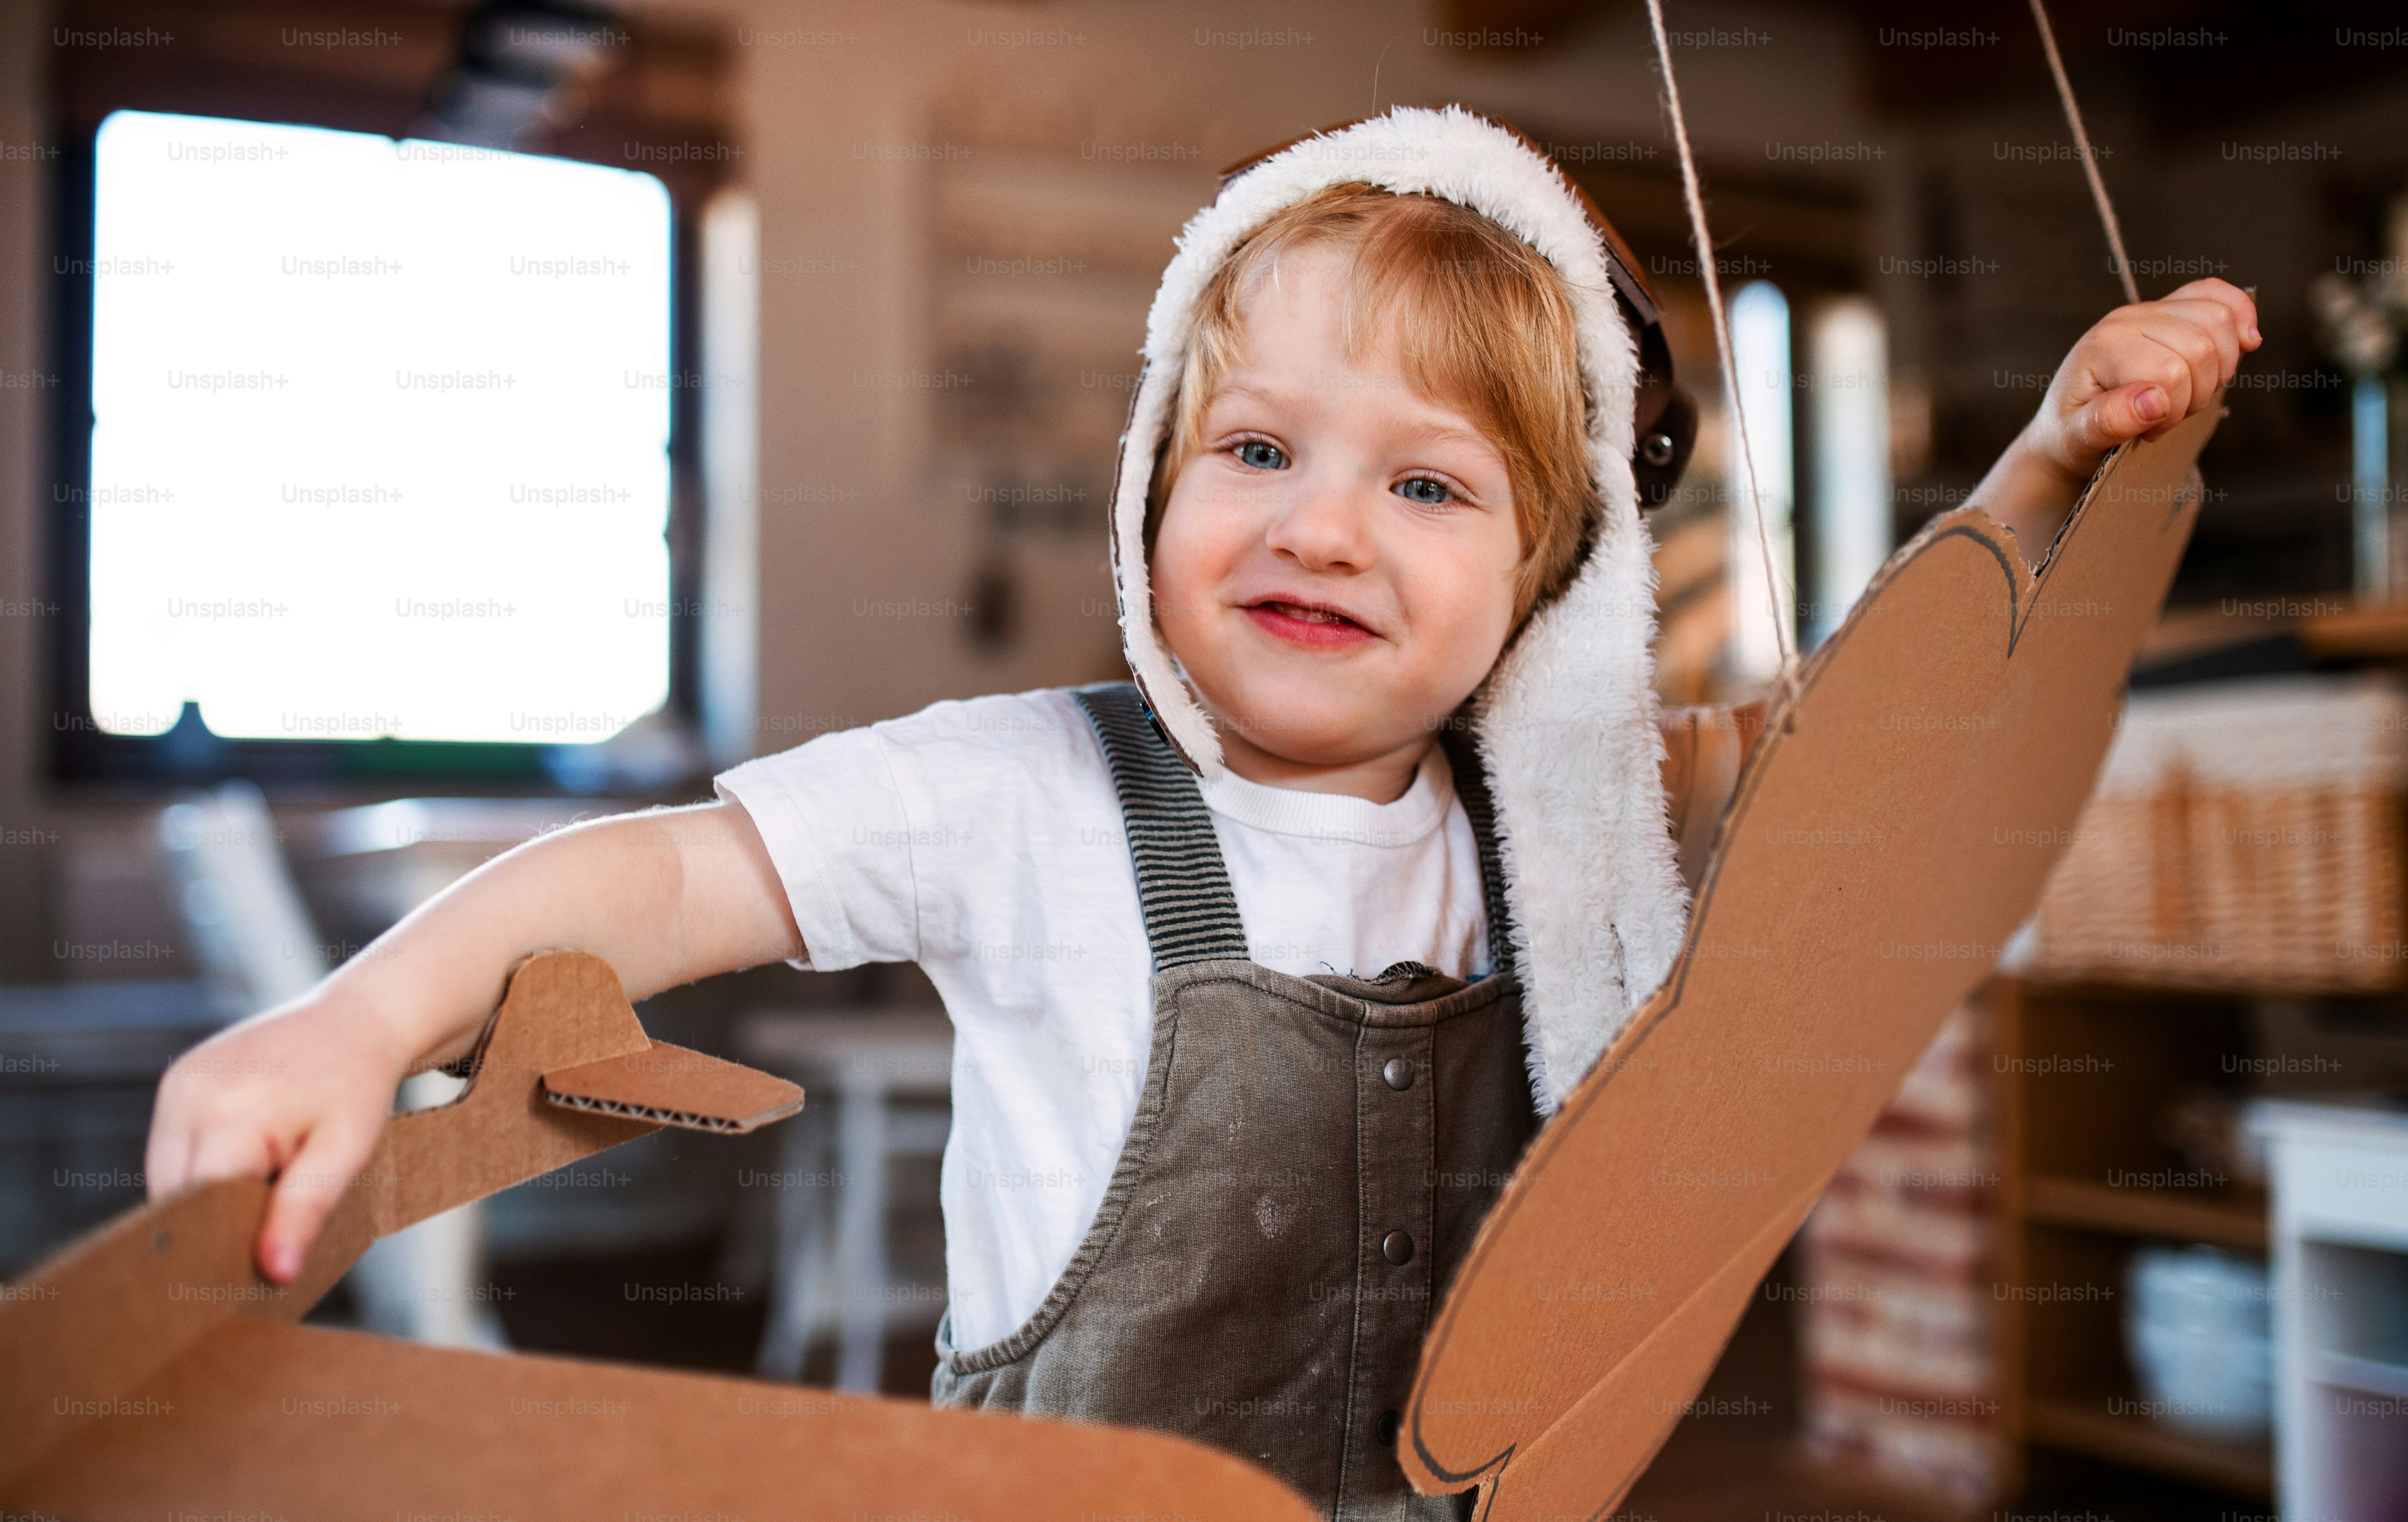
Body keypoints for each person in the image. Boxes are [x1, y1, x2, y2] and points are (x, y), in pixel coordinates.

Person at [145, 107, 2257, 1518]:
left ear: (1550, 577)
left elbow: (1874, 727)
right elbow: (655, 867)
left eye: (1427, 484)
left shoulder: (1578, 802)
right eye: (1258, 447)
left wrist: (2052, 468)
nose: (1325, 524)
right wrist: (359, 1023)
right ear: (1162, 475)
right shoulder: (1019, 790)